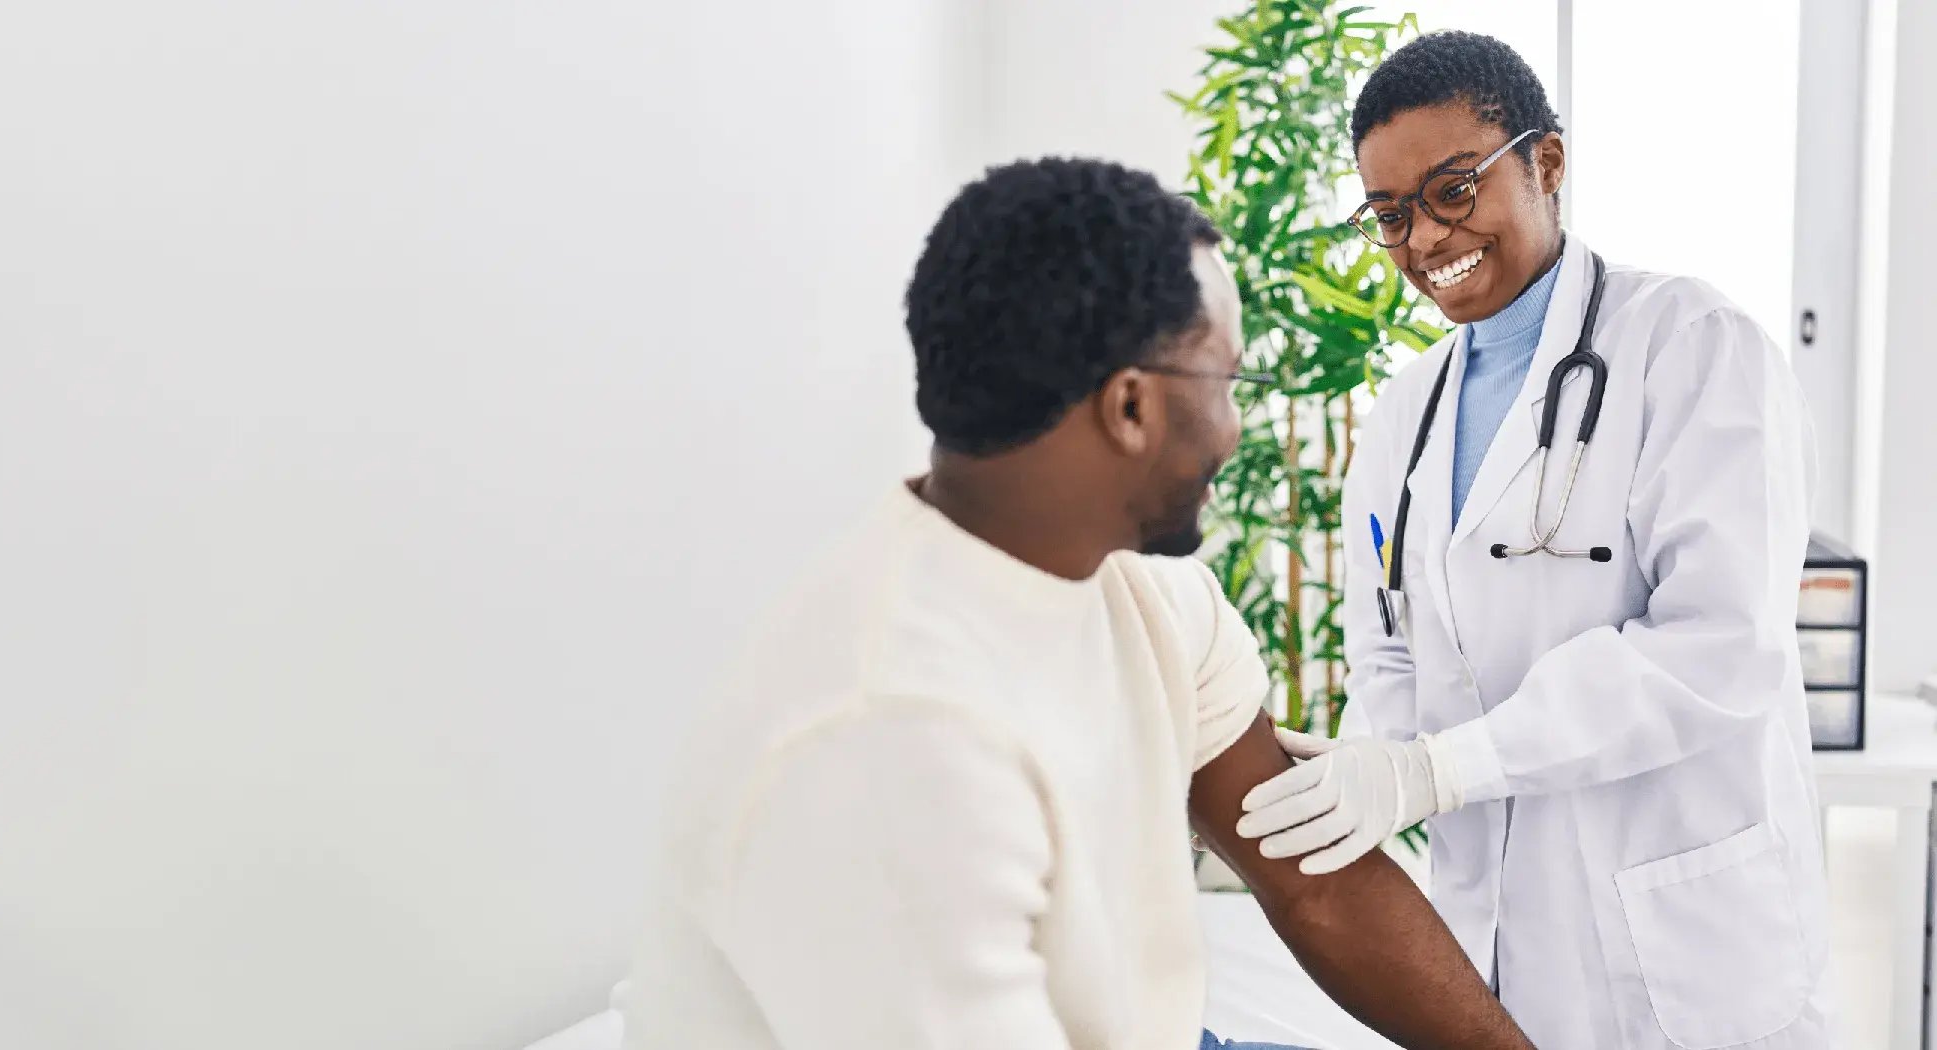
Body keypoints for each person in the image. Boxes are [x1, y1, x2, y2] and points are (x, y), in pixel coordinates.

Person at [623, 157, 1532, 1049]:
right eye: (1230, 383)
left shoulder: (1150, 590)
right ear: (1129, 408)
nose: (1237, 427)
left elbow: (1315, 882)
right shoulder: (895, 735)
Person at [1233, 30, 1833, 1049]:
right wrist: (1380, 760)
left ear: (1545, 163)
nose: (1424, 239)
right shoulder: (1405, 414)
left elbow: (1717, 648)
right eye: (1389, 215)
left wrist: (1449, 768)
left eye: (1453, 189)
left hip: (1686, 947)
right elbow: (1386, 643)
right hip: (1494, 942)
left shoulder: (1692, 347)